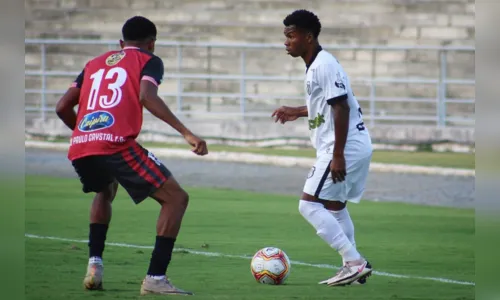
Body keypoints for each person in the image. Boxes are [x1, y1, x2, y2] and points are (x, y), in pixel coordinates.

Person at [55, 16, 206, 296]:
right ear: (151, 44)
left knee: (104, 189)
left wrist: (85, 133)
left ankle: (95, 266)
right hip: (116, 144)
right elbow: (146, 96)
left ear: (121, 43)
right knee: (176, 198)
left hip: (82, 143)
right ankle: (155, 278)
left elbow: (63, 106)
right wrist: (187, 133)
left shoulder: (93, 64)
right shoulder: (150, 60)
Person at [272, 9, 373, 286]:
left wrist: (337, 155)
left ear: (308, 37)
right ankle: (351, 269)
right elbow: (329, 103)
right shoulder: (317, 64)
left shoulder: (324, 65)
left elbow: (341, 106)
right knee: (335, 206)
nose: (286, 42)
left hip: (342, 147)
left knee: (308, 206)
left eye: (291, 36)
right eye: (285, 36)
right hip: (352, 145)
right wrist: (298, 110)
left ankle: (354, 262)